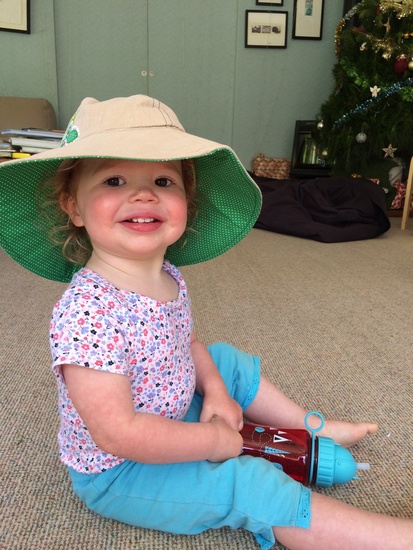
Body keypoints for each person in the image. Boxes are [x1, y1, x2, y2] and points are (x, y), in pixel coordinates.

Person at [0, 95, 411, 550]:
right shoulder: (86, 312)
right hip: (123, 470)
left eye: (163, 180)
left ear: (187, 202)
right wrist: (213, 443)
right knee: (248, 484)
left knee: (223, 361)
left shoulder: (168, 275)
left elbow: (187, 342)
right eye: (114, 180)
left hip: (172, 410)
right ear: (73, 207)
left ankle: (311, 427)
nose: (144, 194)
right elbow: (118, 433)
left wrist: (215, 389)